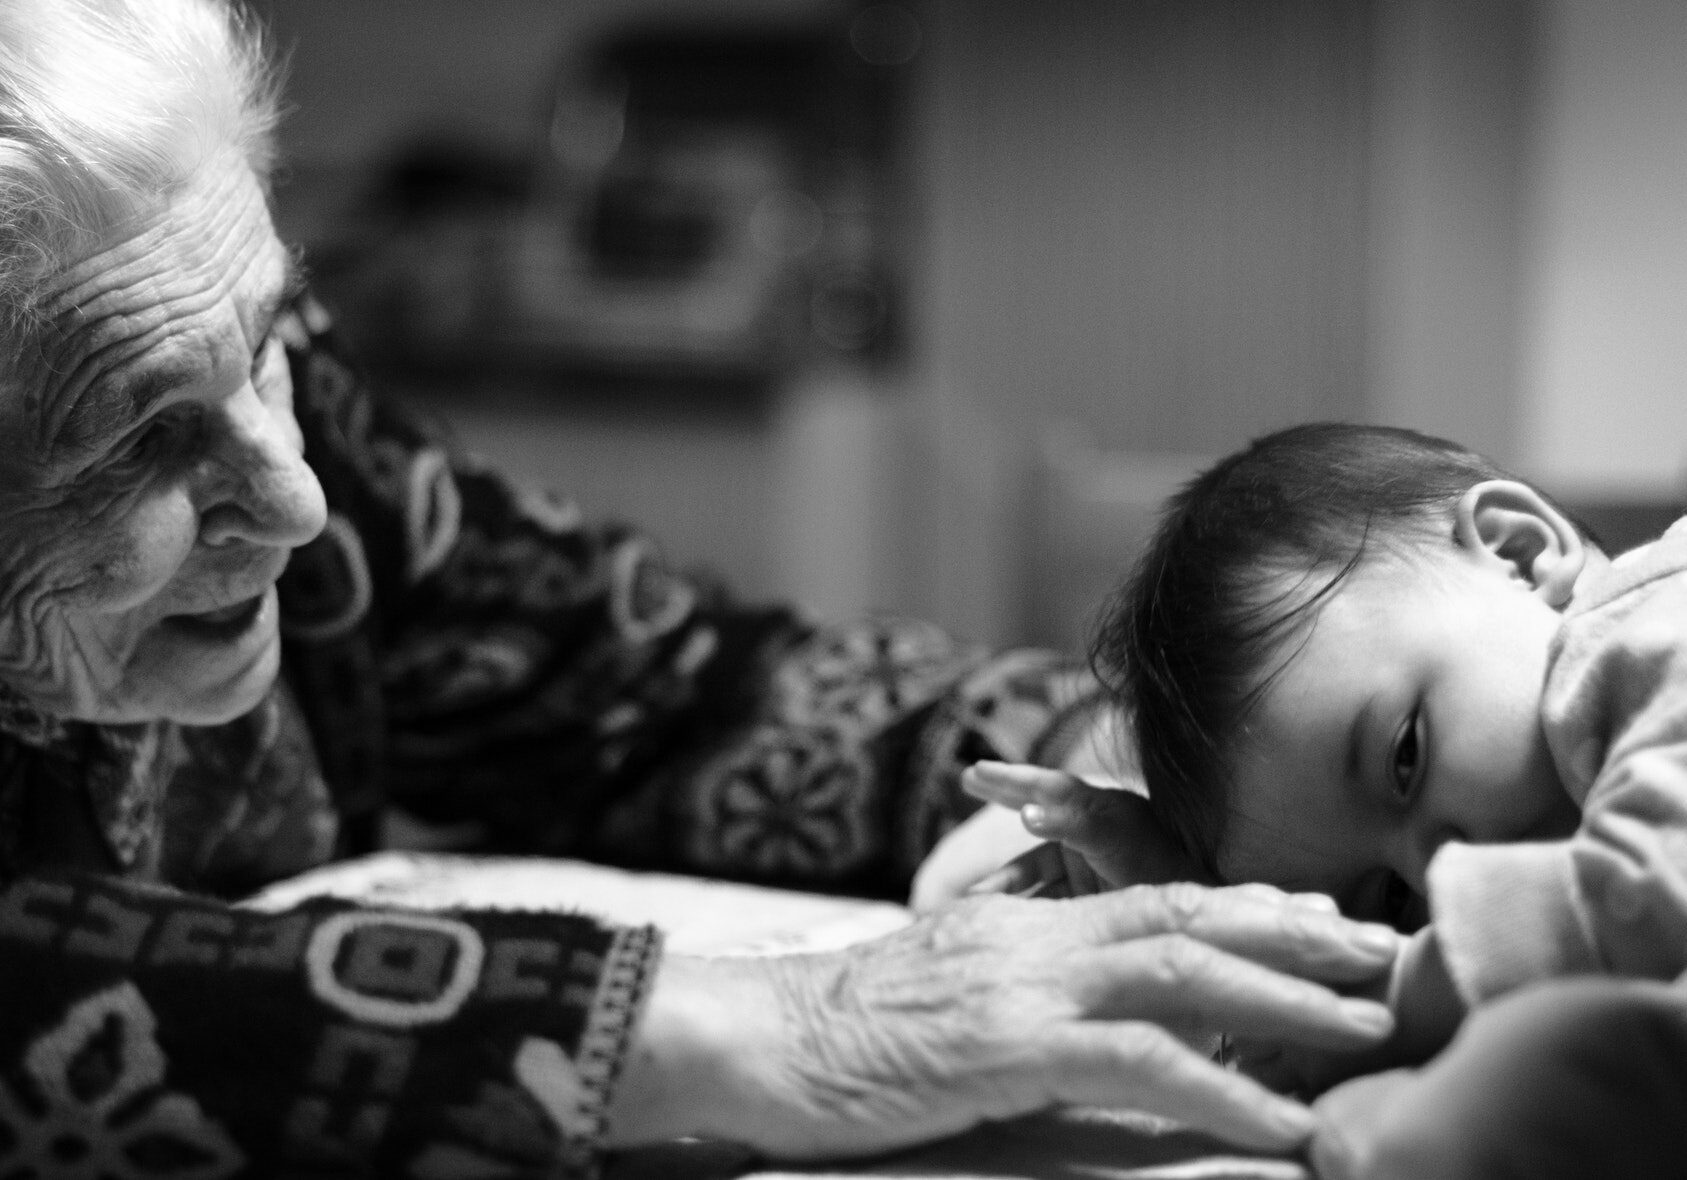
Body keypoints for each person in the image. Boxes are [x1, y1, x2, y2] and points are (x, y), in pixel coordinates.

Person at [0, 1, 1407, 1174]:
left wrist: (1110, 762)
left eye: (264, 343)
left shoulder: (249, 389)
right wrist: (772, 1029)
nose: (295, 500)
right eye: (135, 440)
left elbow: (640, 683)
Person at [963, 421, 1687, 1175]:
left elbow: (1649, 895)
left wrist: (1394, 994)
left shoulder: (1648, 625)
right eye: (1396, 902)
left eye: (1404, 757)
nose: (1442, 872)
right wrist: (1280, 988)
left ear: (1518, 553)